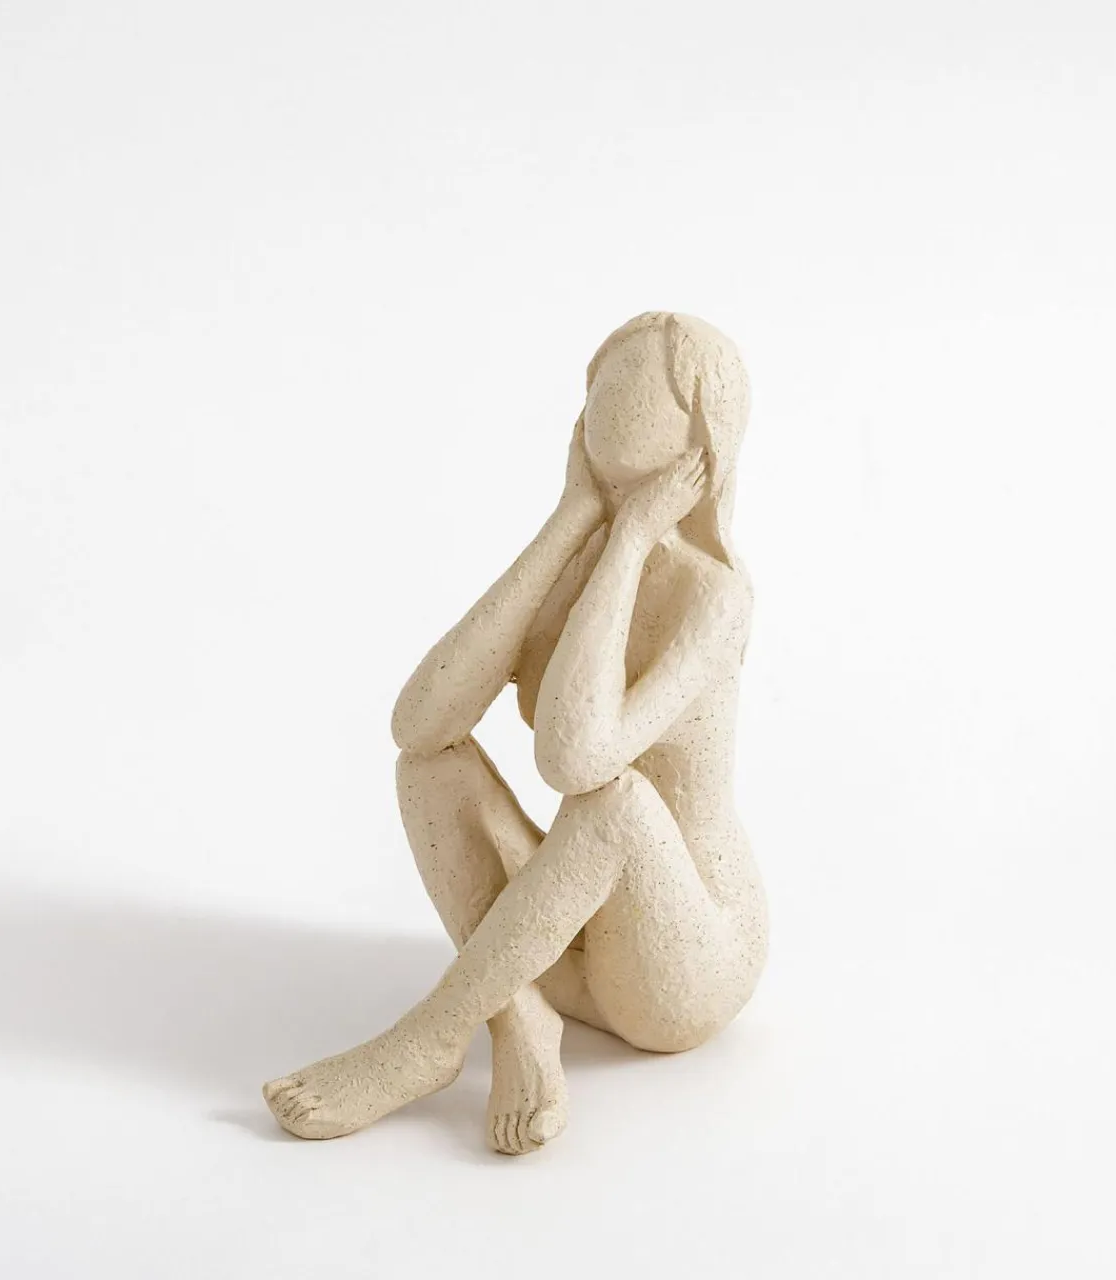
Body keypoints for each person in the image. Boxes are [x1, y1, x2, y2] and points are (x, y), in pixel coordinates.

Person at [264, 312, 768, 1154]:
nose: (608, 402)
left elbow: (578, 760)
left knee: (616, 800)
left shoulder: (716, 597)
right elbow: (420, 721)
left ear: (702, 433)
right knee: (429, 768)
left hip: (687, 966)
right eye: (603, 381)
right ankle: (520, 1017)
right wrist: (574, 519)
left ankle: (432, 1035)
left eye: (641, 384)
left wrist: (633, 538)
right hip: (571, 945)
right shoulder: (582, 568)